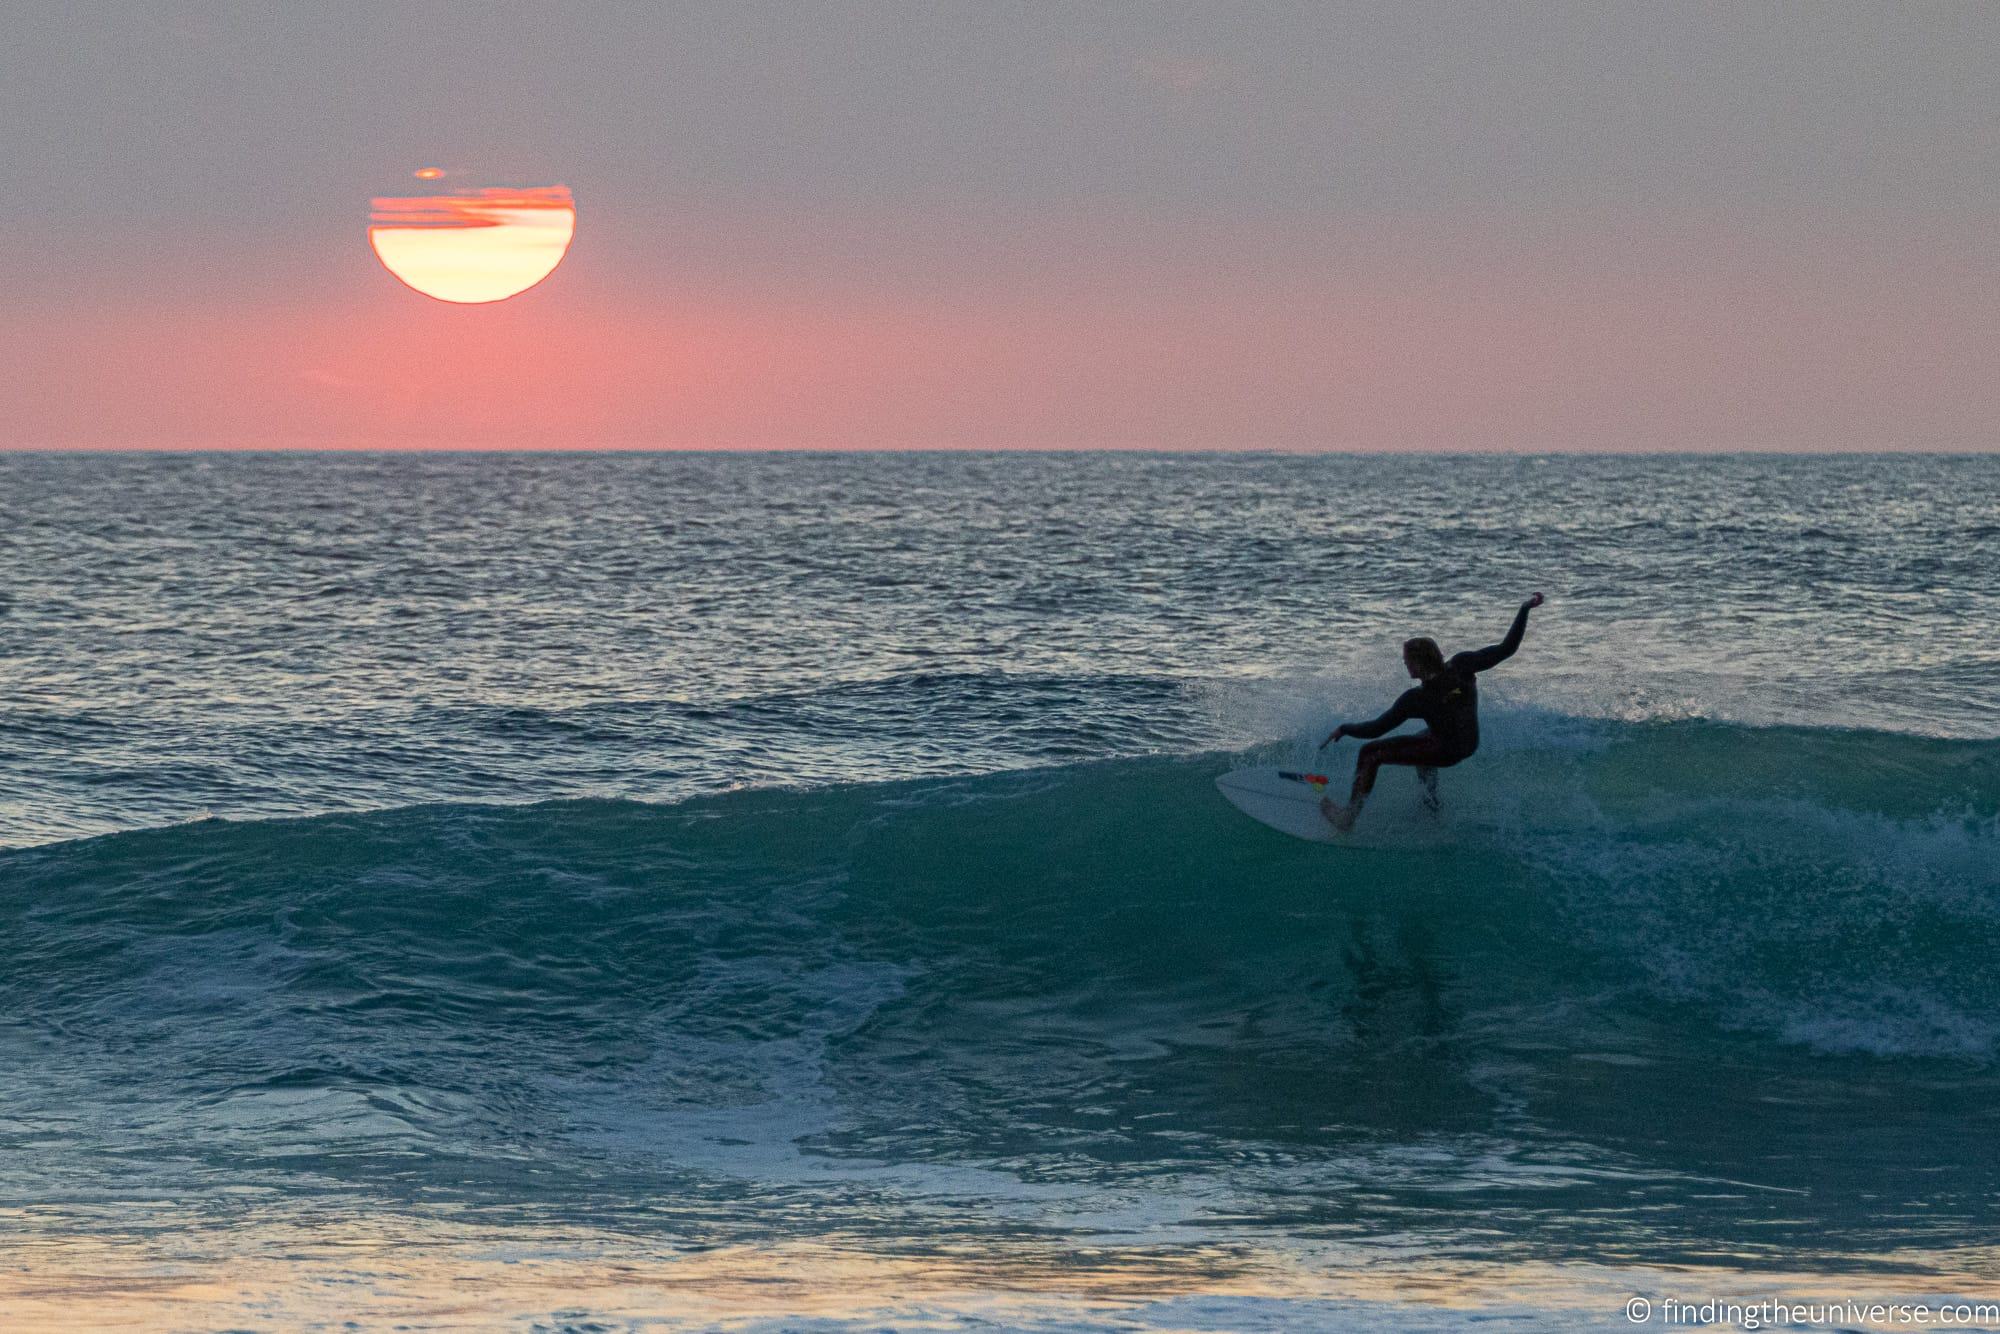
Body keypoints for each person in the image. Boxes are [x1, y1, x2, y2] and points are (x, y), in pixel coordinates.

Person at [1318, 593, 1544, 832]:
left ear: (1417, 664)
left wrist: (1345, 729)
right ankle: (1431, 806)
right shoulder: (1462, 665)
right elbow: (1506, 649)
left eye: (1406, 660)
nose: (1404, 664)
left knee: (1370, 753)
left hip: (1446, 750)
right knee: (1423, 740)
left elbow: (1376, 729)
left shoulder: (1416, 699)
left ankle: (1348, 817)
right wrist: (1524, 609)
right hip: (1469, 743)